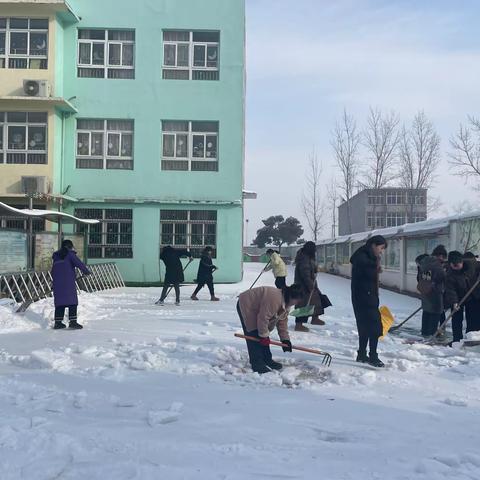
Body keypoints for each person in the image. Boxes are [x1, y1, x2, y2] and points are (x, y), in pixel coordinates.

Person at [236, 284, 304, 374]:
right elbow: (263, 318)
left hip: (259, 309)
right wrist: (264, 336)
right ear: (291, 296)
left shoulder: (286, 303)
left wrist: (285, 340)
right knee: (254, 333)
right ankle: (257, 363)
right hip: (247, 304)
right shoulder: (275, 298)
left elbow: (282, 321)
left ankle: (267, 359)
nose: (297, 303)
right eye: (297, 300)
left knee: (264, 335)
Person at [350, 235, 387, 368]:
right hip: (365, 297)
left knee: (364, 326)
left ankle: (361, 354)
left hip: (365, 296)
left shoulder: (364, 255)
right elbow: (366, 272)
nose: (381, 251)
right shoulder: (363, 257)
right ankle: (373, 355)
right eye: (381, 248)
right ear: (373, 245)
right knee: (374, 326)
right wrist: (376, 267)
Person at [51, 239, 91, 330]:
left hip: (57, 283)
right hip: (68, 283)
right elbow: (79, 264)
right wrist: (86, 272)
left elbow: (53, 271)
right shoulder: (70, 254)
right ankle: (73, 322)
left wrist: (55, 281)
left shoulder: (56, 257)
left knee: (60, 303)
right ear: (70, 246)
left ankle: (58, 323)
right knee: (72, 302)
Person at [293, 241, 330, 332]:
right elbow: (305, 274)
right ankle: (298, 325)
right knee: (303, 305)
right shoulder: (304, 259)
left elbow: (311, 267)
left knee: (317, 301)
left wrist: (315, 268)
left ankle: (315, 318)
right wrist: (310, 285)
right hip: (303, 286)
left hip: (310, 284)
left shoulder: (309, 257)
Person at [417, 245, 447, 336]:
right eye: (444, 257)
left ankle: (425, 332)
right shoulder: (437, 265)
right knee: (435, 313)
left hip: (425, 292)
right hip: (435, 294)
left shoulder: (424, 263)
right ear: (441, 256)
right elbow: (444, 278)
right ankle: (431, 335)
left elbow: (419, 277)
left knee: (426, 312)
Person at [444, 250, 474, 342]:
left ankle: (471, 338)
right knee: (457, 318)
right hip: (457, 298)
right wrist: (454, 302)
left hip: (472, 296)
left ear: (462, 262)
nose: (457, 267)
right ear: (450, 264)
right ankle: (457, 339)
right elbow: (450, 290)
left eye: (459, 264)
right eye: (454, 265)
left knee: (472, 318)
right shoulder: (449, 274)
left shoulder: (471, 266)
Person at [463, 252, 480, 334]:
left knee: (470, 318)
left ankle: (470, 334)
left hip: (470, 296)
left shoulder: (464, 265)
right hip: (474, 296)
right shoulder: (477, 264)